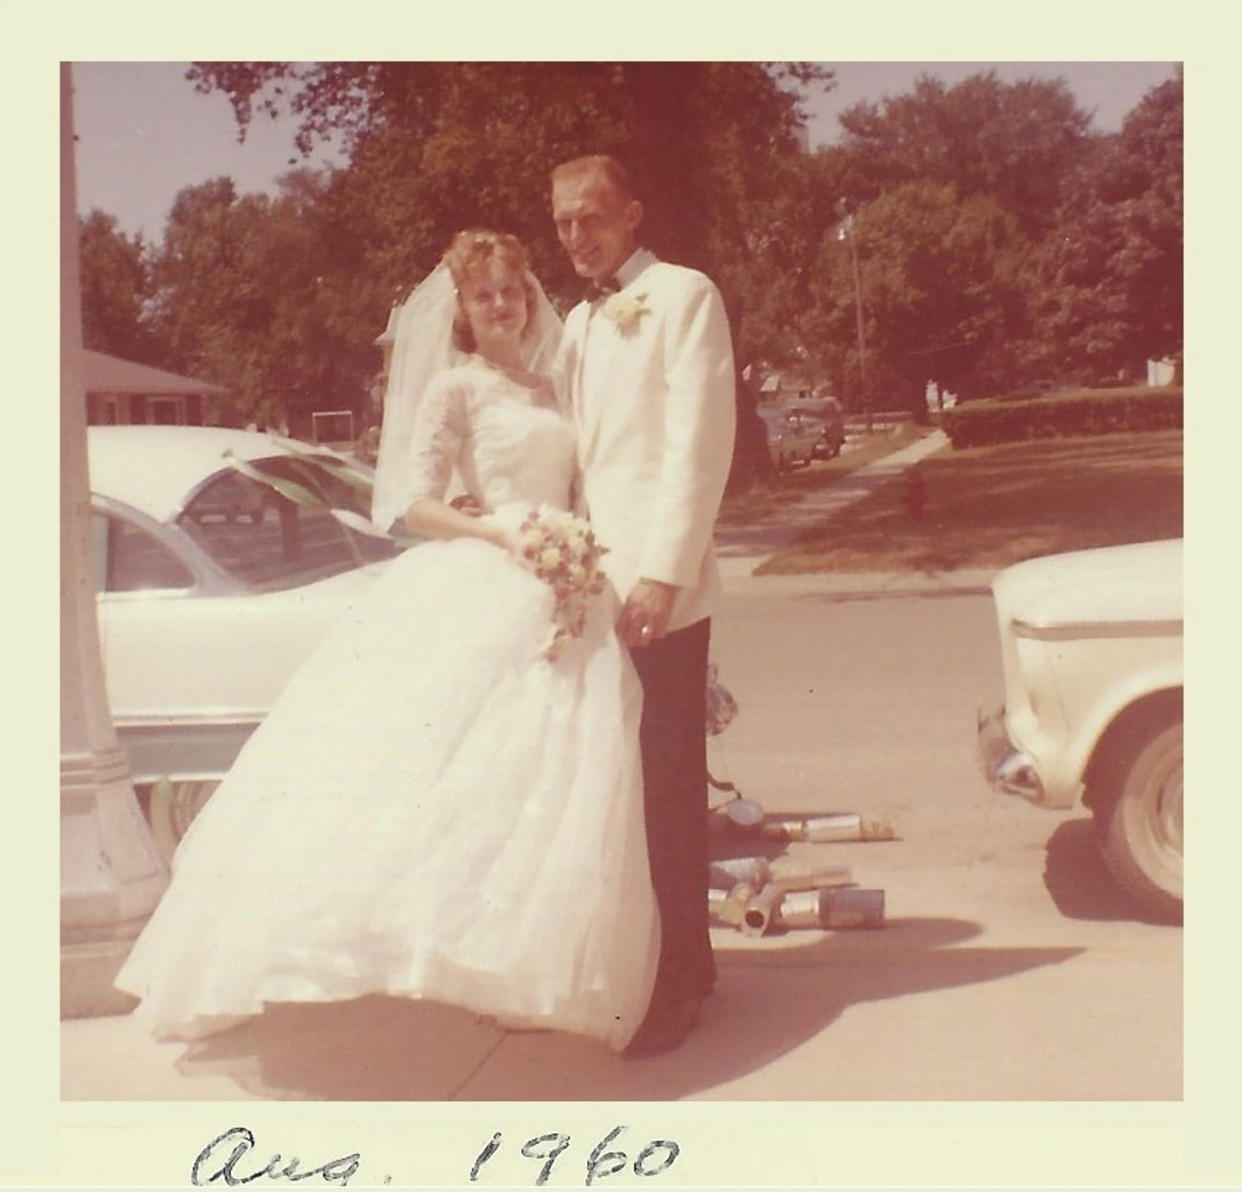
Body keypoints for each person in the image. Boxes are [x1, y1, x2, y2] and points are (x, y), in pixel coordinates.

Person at [114, 229, 661, 1053]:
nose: (502, 305)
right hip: (492, 574)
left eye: (512, 291)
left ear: (529, 297)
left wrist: (565, 542)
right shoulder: (455, 388)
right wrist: (506, 535)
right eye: (485, 298)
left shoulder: (554, 385)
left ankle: (518, 962)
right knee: (441, 778)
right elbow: (410, 502)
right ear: (465, 315)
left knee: (544, 785)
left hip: (561, 589)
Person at [550, 155, 737, 1055]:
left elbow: (699, 443)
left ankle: (678, 984)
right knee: (625, 789)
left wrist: (664, 570)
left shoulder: (684, 295)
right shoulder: (577, 327)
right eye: (562, 224)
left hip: (660, 591)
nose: (578, 236)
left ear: (631, 212)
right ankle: (682, 959)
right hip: (595, 592)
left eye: (591, 218)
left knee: (666, 787)